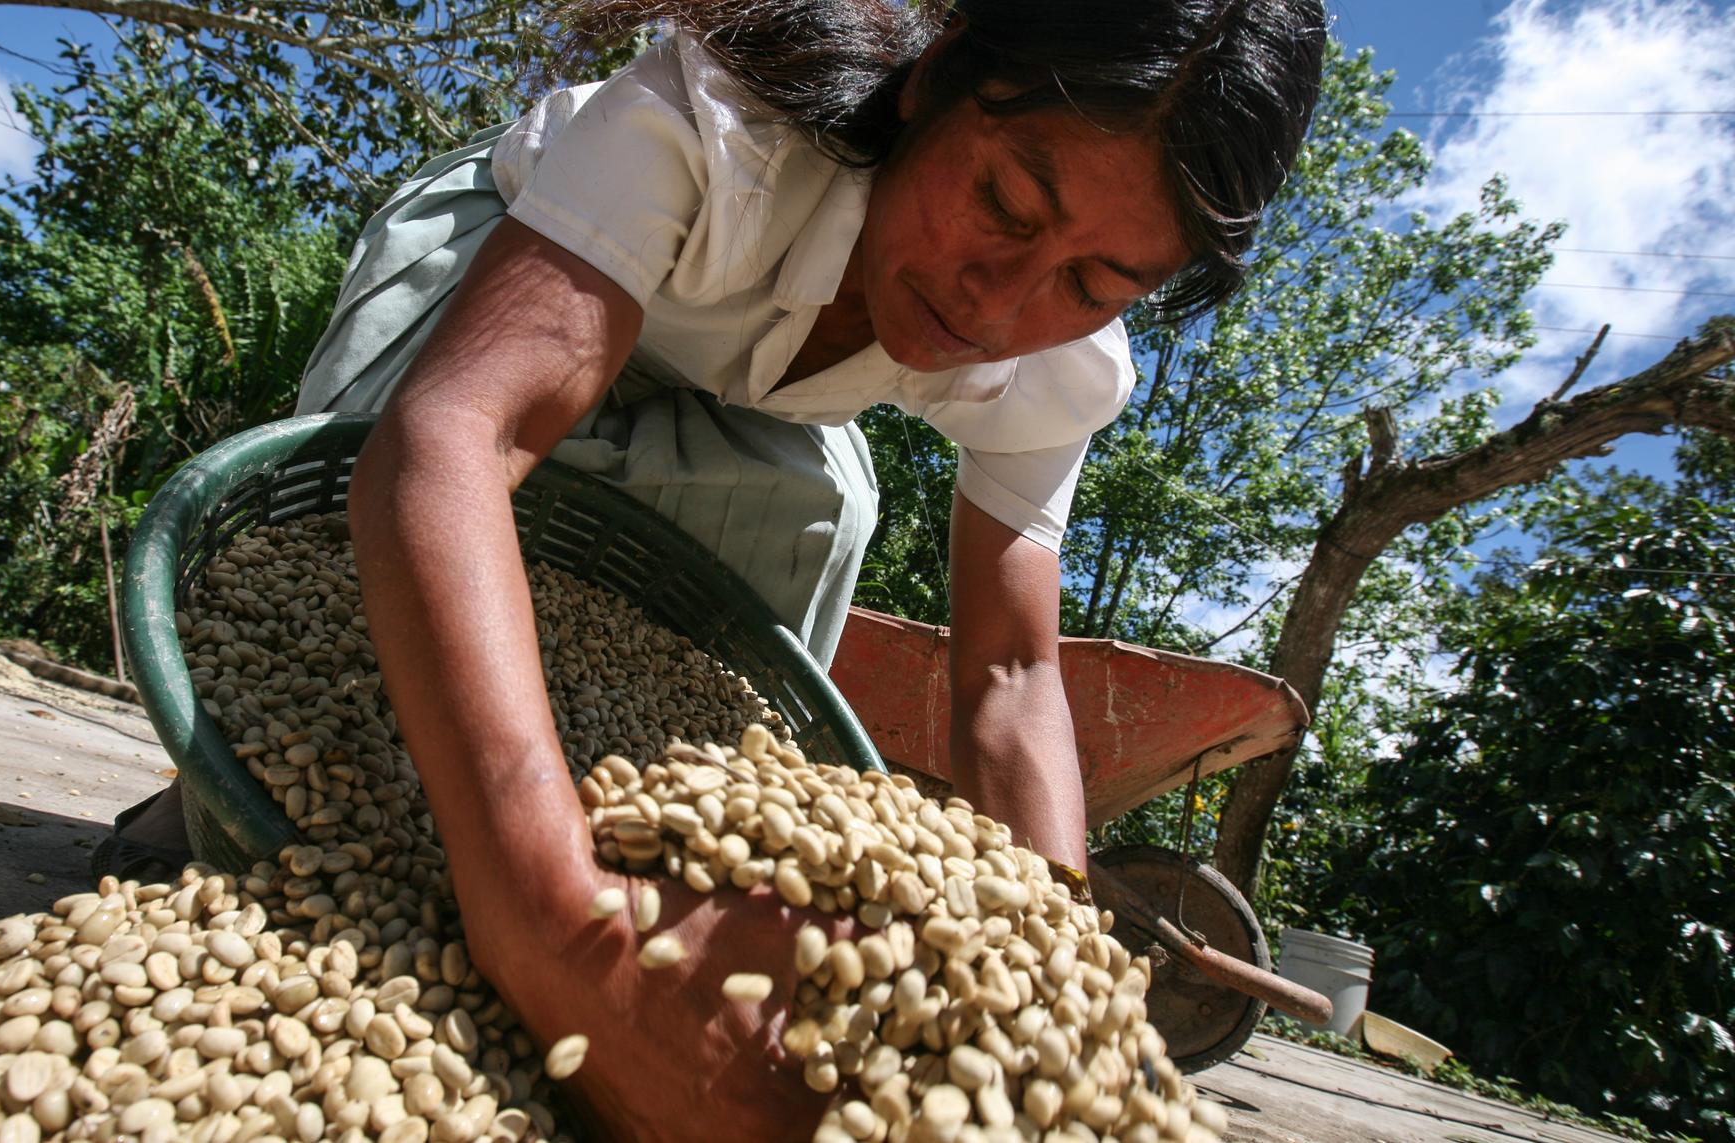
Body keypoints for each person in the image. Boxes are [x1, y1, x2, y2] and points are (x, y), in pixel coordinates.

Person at [105, 0, 1326, 1135]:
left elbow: (1009, 676)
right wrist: (554, 934)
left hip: (720, 374)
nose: (1000, 302)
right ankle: (239, 774)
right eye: (1004, 203)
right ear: (937, 80)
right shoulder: (705, 128)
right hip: (501, 272)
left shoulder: (1057, 374)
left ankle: (574, 828)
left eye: (1096, 283)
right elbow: (455, 438)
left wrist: (1058, 993)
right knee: (367, 503)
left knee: (824, 506)